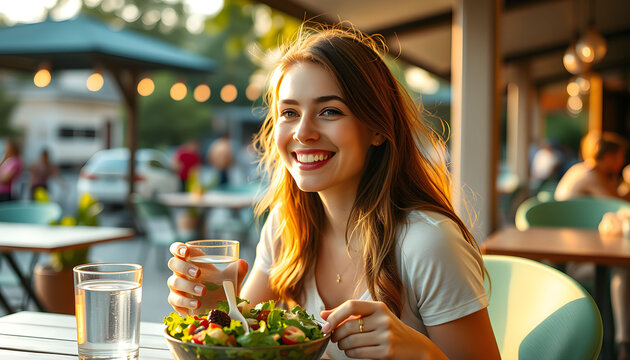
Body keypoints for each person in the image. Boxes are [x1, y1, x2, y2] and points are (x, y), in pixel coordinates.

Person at [166, 25, 500, 359]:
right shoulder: (286, 226)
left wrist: (421, 353)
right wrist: (211, 309)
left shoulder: (428, 243)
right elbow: (244, 343)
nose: (303, 132)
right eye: (289, 113)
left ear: (377, 129)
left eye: (330, 111)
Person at [555, 131, 630, 360]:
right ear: (609, 157)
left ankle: (619, 341)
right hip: (572, 259)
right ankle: (621, 344)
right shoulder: (590, 176)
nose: (622, 161)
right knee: (623, 269)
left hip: (576, 249)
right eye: (620, 156)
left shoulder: (583, 170)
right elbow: (619, 205)